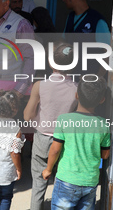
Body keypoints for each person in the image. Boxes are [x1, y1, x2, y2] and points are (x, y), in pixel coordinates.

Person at [42, 76, 110, 210]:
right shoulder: (104, 124)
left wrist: (48, 169)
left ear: (76, 95)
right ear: (102, 100)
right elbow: (105, 155)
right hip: (90, 181)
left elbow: (55, 149)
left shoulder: (64, 119)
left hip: (67, 180)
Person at [24, 43, 78, 210]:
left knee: (38, 186)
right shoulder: (77, 88)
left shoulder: (40, 85)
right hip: (66, 141)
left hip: (42, 139)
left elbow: (28, 115)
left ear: (51, 63)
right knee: (62, 184)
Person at [63, 0, 110, 77]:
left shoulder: (97, 21)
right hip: (71, 78)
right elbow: (63, 42)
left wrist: (97, 79)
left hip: (89, 79)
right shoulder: (70, 17)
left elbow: (107, 55)